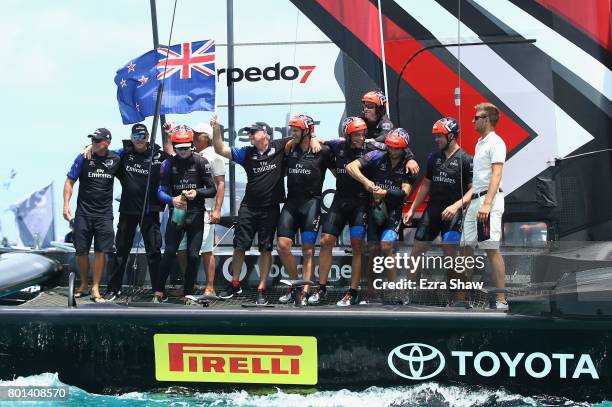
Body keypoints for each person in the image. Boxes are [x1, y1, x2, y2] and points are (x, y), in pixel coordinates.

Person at [403, 117, 473, 305]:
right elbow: (426, 185)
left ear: (451, 136)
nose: (436, 139)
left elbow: (473, 190)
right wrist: (412, 209)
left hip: (453, 212)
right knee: (416, 252)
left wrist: (455, 206)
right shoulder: (434, 157)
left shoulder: (465, 159)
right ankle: (406, 294)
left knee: (451, 256)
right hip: (433, 210)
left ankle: (459, 297)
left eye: (439, 136)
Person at [99, 123, 171, 301]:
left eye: (143, 136)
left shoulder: (158, 154)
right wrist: (89, 149)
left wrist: (168, 136)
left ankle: (158, 291)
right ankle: (113, 289)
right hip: (128, 211)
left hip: (150, 211)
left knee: (154, 252)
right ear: (131, 138)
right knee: (121, 251)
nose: (140, 140)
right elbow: (104, 155)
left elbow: (173, 160)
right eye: (136, 137)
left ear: (148, 137)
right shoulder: (123, 153)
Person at [347, 129, 415, 304]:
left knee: (386, 246)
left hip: (393, 213)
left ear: (404, 149)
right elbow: (350, 167)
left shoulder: (409, 165)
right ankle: (371, 292)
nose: (392, 151)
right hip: (374, 210)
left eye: (397, 149)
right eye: (390, 147)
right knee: (373, 250)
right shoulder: (376, 155)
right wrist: (367, 182)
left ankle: (393, 292)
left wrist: (384, 192)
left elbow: (405, 193)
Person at [308, 117, 369, 306]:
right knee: (326, 241)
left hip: (360, 204)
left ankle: (353, 291)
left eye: (363, 133)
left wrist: (409, 160)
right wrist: (311, 138)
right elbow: (319, 140)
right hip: (340, 201)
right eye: (357, 134)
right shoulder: (338, 145)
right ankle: (321, 288)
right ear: (347, 135)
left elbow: (395, 149)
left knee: (357, 246)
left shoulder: (371, 149)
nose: (361, 138)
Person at [155, 125, 217, 303]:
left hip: (196, 213)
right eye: (179, 148)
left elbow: (212, 189)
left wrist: (197, 193)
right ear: (174, 147)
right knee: (170, 251)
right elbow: (160, 191)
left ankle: (188, 293)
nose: (182, 152)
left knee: (193, 254)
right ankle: (158, 292)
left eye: (186, 148)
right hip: (177, 213)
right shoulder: (168, 164)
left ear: (192, 146)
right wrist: (171, 200)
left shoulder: (200, 162)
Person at [276, 115, 333, 306]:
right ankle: (296, 285)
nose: (292, 133)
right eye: (292, 130)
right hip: (291, 203)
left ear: (307, 131)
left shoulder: (322, 151)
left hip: (311, 204)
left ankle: (306, 291)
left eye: (296, 130)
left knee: (308, 250)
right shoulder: (289, 148)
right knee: (283, 245)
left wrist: (317, 139)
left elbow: (339, 168)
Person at [63, 128, 121, 303]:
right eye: (92, 141)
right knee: (81, 250)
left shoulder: (115, 158)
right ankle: (83, 285)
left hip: (104, 214)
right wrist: (66, 205)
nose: (94, 143)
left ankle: (96, 288)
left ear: (107, 142)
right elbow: (69, 181)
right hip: (84, 213)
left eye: (97, 141)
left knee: (101, 250)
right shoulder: (83, 157)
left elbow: (130, 151)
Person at [461, 103, 508, 310]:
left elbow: (497, 174)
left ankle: (501, 300)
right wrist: (472, 203)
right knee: (466, 247)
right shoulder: (480, 143)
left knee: (491, 249)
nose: (473, 120)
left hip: (489, 201)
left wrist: (487, 204)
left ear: (487, 119)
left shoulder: (496, 142)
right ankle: (463, 299)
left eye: (477, 117)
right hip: (475, 201)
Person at [176, 122, 226, 296]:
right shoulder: (190, 154)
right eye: (194, 134)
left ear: (207, 137)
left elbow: (220, 184)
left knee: (205, 250)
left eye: (198, 134)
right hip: (184, 209)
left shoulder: (215, 156)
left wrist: (217, 210)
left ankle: (210, 288)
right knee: (181, 248)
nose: (194, 136)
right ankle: (190, 284)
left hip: (205, 210)